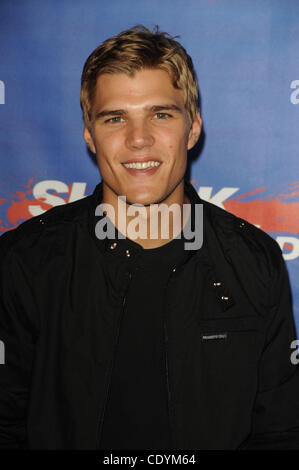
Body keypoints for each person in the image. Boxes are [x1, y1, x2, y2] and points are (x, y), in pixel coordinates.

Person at [0, 25, 299, 450]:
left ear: (192, 128)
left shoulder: (254, 261)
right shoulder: (24, 262)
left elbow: (280, 432)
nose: (138, 140)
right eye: (115, 117)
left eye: (161, 114)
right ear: (89, 134)